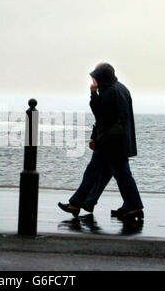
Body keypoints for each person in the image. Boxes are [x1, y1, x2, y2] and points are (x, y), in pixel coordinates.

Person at [58, 62, 144, 220]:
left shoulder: (110, 91)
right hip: (119, 140)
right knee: (122, 175)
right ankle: (133, 206)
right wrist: (94, 135)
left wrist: (93, 93)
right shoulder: (121, 88)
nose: (93, 81)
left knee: (93, 172)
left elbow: (100, 115)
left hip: (109, 142)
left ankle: (76, 203)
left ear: (102, 77)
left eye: (95, 78)